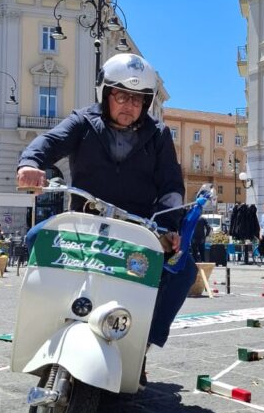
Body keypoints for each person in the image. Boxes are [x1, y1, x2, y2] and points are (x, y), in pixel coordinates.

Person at [16, 53, 195, 383]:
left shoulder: (158, 136)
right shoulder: (82, 122)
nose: (129, 105)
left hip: (139, 226)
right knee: (34, 239)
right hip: (85, 219)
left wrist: (169, 227)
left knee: (183, 271)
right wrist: (30, 162)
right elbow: (49, 142)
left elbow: (171, 184)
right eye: (121, 95)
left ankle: (142, 344)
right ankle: (47, 325)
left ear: (147, 102)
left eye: (138, 99)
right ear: (105, 93)